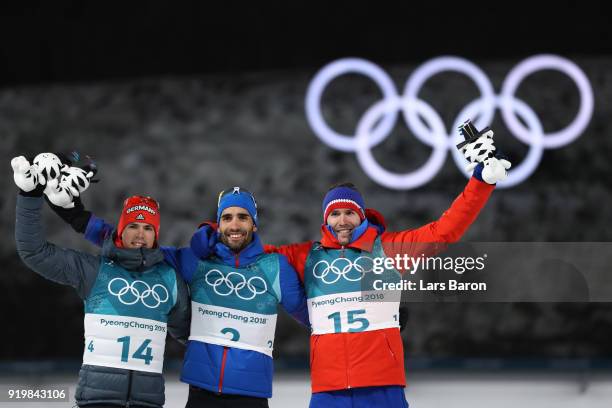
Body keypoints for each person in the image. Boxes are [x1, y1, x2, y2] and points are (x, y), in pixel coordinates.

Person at [191, 125, 511, 407]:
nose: (342, 220)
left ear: (361, 215)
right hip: (328, 391)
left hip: (382, 387)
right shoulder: (307, 256)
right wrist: (210, 235)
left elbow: (444, 231)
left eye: (349, 212)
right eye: (334, 213)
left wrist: (480, 182)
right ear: (325, 219)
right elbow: (245, 248)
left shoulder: (387, 250)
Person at [52, 184, 309, 407]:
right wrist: (76, 215)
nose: (235, 224)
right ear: (218, 223)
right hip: (201, 394)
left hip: (252, 395)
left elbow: (314, 315)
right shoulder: (196, 261)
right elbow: (134, 246)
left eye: (242, 217)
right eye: (227, 217)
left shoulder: (274, 268)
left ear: (254, 223)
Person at [12, 154, 190, 408]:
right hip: (96, 400)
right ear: (121, 230)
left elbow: (193, 335)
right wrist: (29, 196)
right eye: (133, 226)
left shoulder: (170, 280)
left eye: (148, 228)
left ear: (156, 235)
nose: (140, 234)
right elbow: (34, 252)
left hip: (147, 402)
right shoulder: (95, 270)